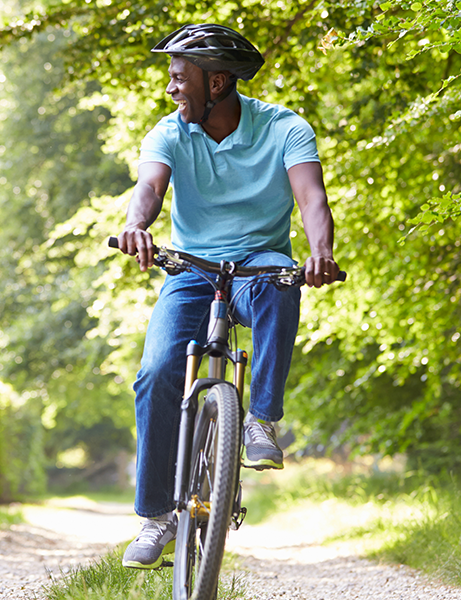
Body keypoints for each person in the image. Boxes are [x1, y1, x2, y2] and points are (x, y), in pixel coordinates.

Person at [113, 24, 340, 569]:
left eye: (179, 77)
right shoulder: (169, 131)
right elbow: (149, 189)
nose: (171, 87)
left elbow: (311, 199)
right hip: (192, 270)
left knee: (280, 284)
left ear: (217, 83)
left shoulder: (284, 128)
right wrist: (137, 225)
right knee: (156, 372)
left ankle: (260, 419)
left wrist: (320, 252)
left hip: (259, 262)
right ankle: (156, 518)